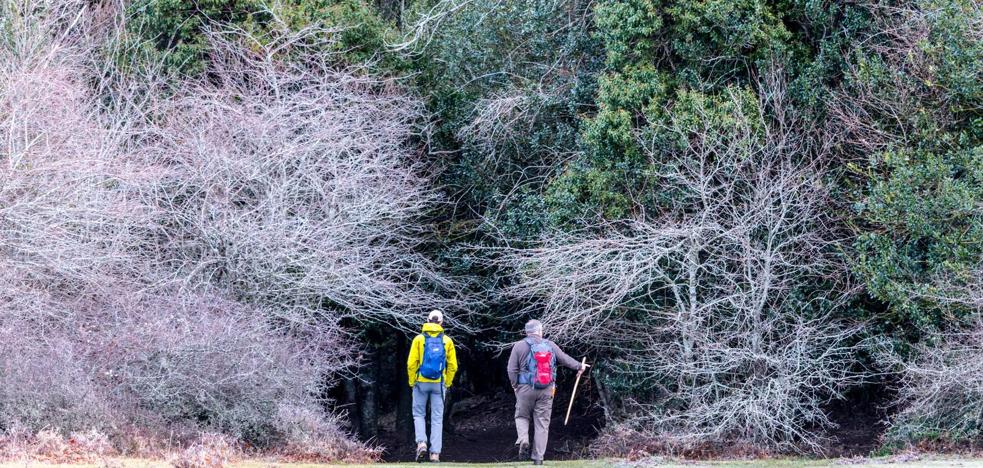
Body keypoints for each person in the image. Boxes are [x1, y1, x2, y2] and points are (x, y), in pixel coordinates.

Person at [507, 319, 589, 465]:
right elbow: (564, 359)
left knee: (521, 416)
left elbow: (511, 369)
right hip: (546, 389)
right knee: (542, 423)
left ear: (527, 332)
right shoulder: (549, 345)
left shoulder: (519, 346)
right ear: (540, 331)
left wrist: (515, 385)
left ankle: (524, 440)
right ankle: (538, 459)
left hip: (525, 388)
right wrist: (579, 366)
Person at [406, 309, 458, 463]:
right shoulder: (447, 341)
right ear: (441, 323)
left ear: (427, 320)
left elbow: (411, 363)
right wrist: (447, 382)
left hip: (420, 382)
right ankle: (435, 454)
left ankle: (421, 443)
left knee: (418, 414)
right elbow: (453, 366)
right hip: (438, 384)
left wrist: (411, 381)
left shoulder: (418, 339)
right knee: (436, 419)